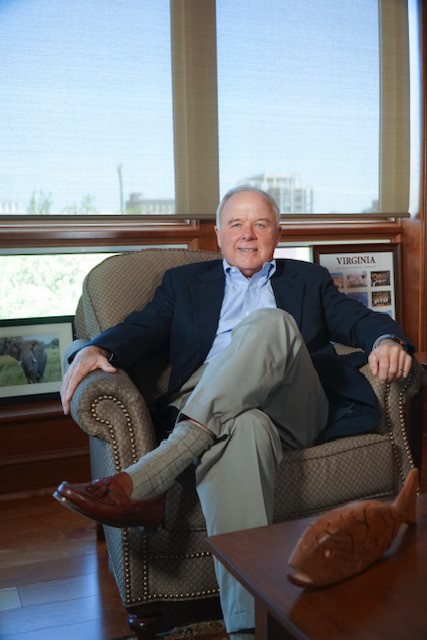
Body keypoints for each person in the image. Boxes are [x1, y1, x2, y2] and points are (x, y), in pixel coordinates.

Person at [54, 186, 414, 639]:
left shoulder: (306, 280)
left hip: (294, 406)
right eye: (237, 224)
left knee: (271, 322)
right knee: (243, 427)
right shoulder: (184, 284)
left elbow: (359, 320)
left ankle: (149, 479)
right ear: (219, 235)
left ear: (277, 234)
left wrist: (386, 340)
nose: (249, 234)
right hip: (218, 405)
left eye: (261, 223)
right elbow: (143, 327)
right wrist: (94, 347)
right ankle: (248, 627)